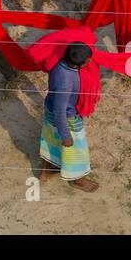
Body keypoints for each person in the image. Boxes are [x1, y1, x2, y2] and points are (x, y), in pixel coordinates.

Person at [39, 42, 99, 192]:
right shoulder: (65, 82)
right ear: (76, 65)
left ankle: (47, 171)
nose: (89, 62)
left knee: (51, 140)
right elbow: (60, 111)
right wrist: (66, 135)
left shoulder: (58, 63)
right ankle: (77, 179)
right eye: (87, 61)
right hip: (67, 117)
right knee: (77, 148)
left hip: (50, 109)